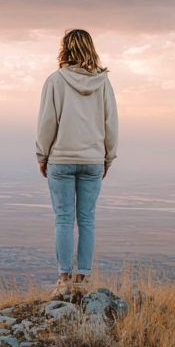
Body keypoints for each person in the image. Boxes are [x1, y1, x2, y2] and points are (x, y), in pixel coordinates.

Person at [35, 28, 118, 299]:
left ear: (65, 49)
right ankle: (83, 280)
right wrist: (108, 156)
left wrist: (42, 155)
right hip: (93, 160)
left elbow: (47, 122)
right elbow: (111, 123)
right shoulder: (103, 83)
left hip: (60, 159)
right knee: (87, 220)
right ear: (90, 48)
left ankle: (63, 279)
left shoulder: (55, 81)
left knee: (63, 219)